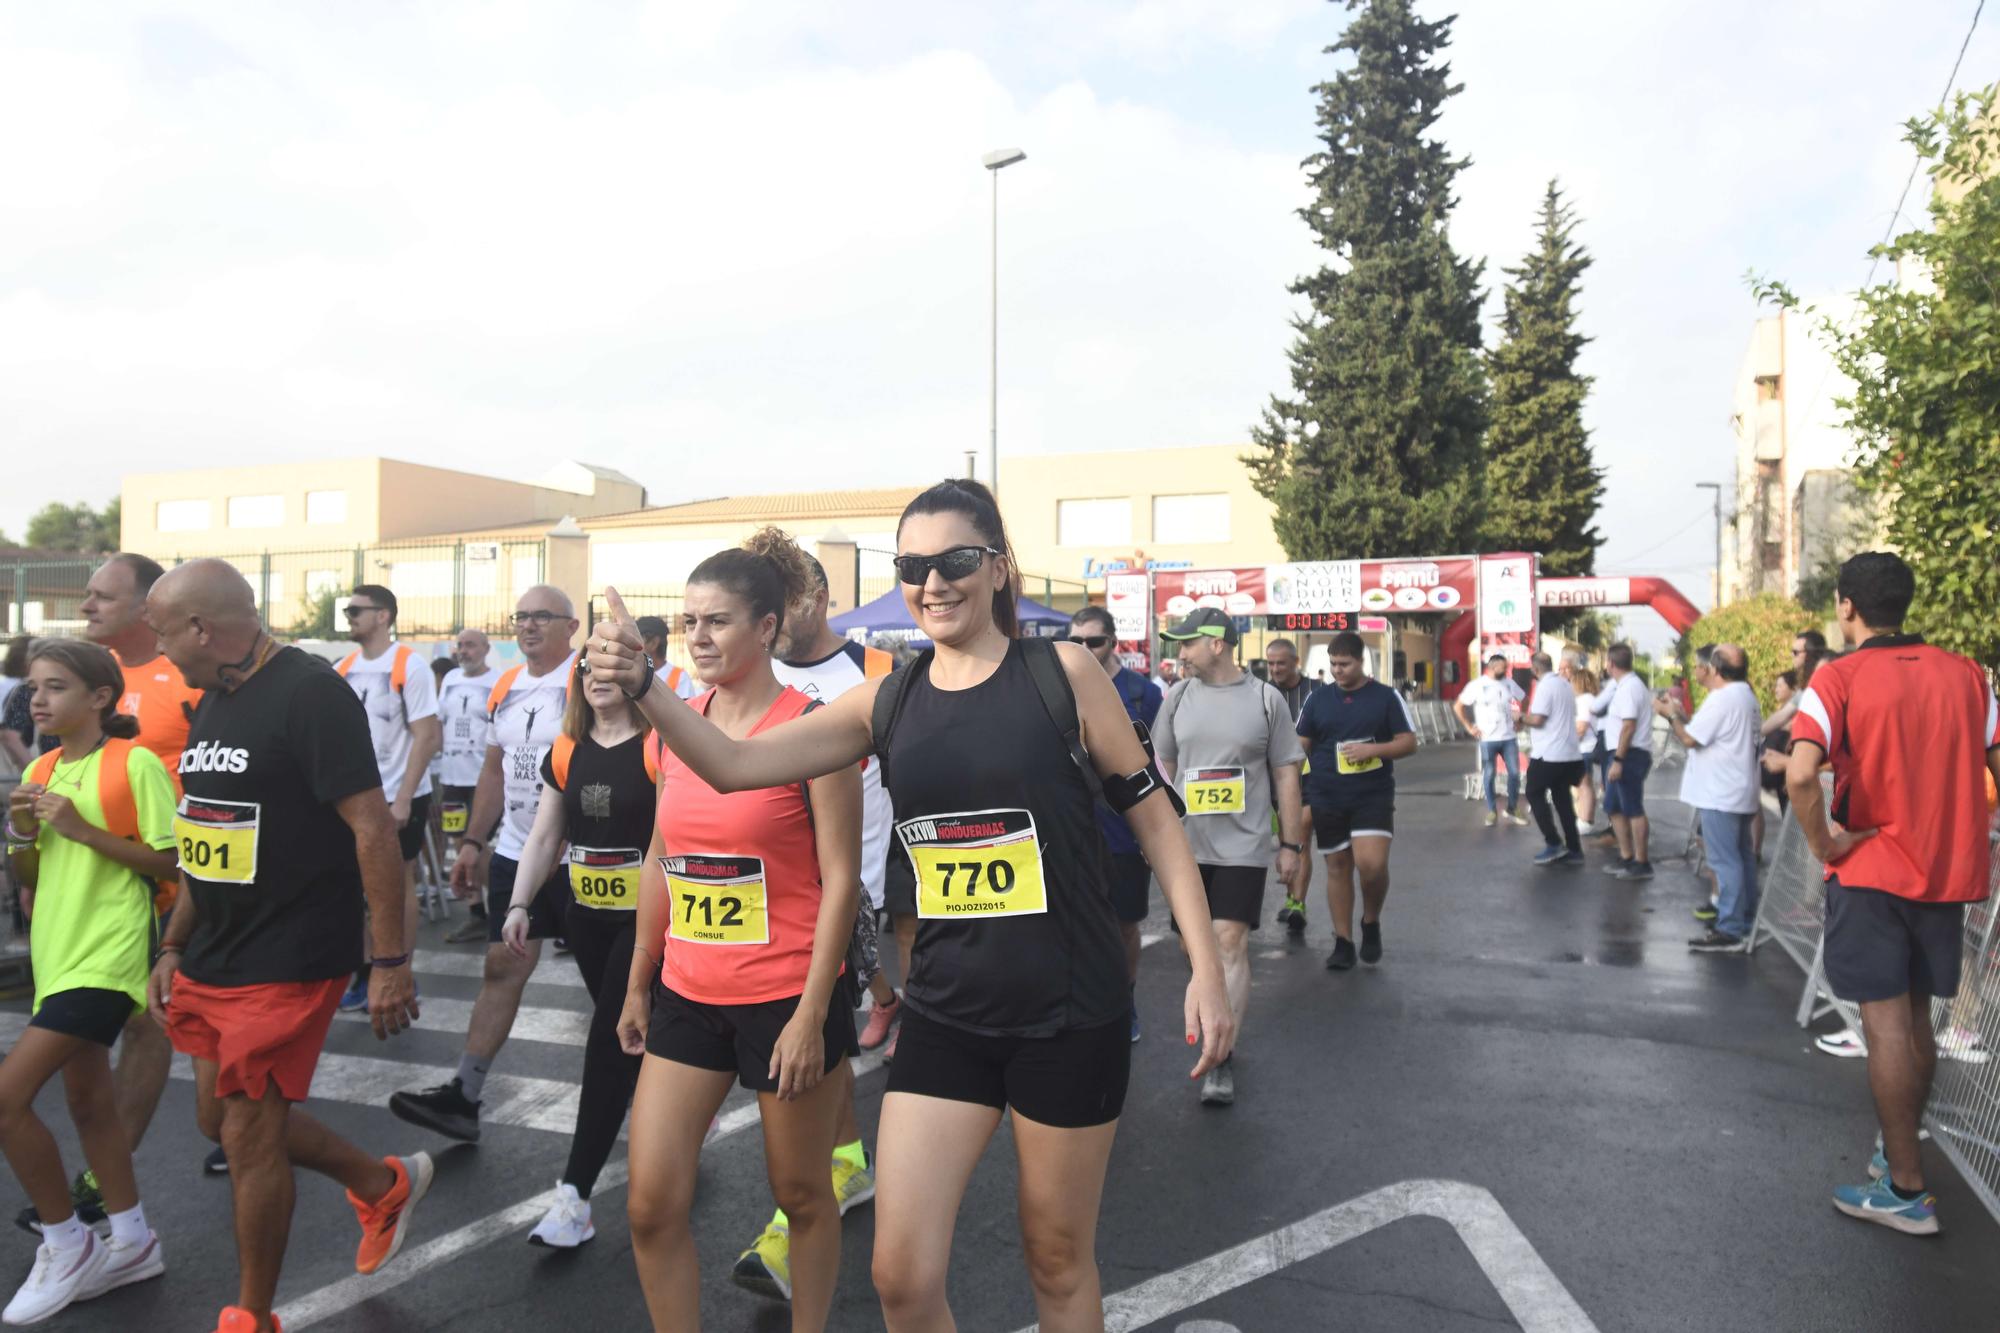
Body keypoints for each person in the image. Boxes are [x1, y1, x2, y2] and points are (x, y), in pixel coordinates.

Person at [587, 479, 1232, 1329]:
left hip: (1068, 1015)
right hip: (946, 1013)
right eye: (913, 565)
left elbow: (1153, 816)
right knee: (899, 1274)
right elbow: (733, 764)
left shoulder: (1061, 673)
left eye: (955, 560)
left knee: (1056, 1254)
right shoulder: (886, 699)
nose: (933, 581)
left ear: (999, 568)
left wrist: (1205, 967)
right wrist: (645, 685)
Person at [143, 560, 429, 1333]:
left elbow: (372, 825)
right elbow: (207, 835)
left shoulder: (309, 691)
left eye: (163, 631)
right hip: (215, 951)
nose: (158, 648)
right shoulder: (215, 702)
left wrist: (391, 961)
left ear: (202, 627)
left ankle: (251, 1314)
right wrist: (173, 943)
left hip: (293, 951)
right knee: (218, 1120)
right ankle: (381, 1182)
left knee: (247, 1132)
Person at [614, 536, 863, 1330]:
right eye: (689, 622)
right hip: (689, 992)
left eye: (717, 621)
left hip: (786, 994)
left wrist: (810, 1016)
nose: (699, 637)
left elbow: (842, 880)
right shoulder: (675, 727)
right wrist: (638, 978)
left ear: (766, 626)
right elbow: (662, 854)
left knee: (800, 1195)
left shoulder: (814, 731)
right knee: (650, 1203)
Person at [1787, 552, 2000, 1236]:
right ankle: (1898, 1150)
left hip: (1874, 867)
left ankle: (1906, 1186)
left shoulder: (1836, 677)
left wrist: (1825, 844)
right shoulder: (1968, 674)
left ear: (1847, 605)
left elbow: (1799, 777)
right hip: (1946, 873)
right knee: (1914, 1021)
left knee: (1885, 1026)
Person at [21, 555, 214, 1224]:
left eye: (102, 596)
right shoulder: (80, 683)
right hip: (98, 887)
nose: (87, 605)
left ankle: (118, 1181)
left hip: (186, 880)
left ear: (145, 604)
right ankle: (114, 1190)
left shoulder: (184, 676)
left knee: (160, 1022)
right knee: (128, 1029)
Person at [735, 544, 898, 1302]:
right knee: (819, 1061)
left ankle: (786, 1230)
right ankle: (850, 1162)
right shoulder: (738, 676)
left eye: (786, 597)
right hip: (743, 914)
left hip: (843, 902)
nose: (776, 615)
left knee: (801, 1063)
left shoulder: (874, 675)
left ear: (816, 594)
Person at [1, 640, 173, 1322]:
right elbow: (34, 878)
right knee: (90, 1103)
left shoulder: (135, 764)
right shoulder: (41, 765)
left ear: (101, 697)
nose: (39, 699)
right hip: (57, 955)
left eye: (57, 687)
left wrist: (77, 825)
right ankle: (131, 1240)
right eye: (36, 687)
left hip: (109, 953)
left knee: (6, 1099)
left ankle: (65, 1238)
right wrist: (20, 836)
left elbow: (172, 864)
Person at [390, 587, 578, 1143]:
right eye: (520, 617)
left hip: (582, 859)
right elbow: (495, 771)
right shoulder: (506, 684)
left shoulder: (586, 681)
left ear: (571, 626)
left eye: (541, 616)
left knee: (614, 986)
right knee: (502, 966)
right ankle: (464, 1095)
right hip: (520, 849)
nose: (528, 625)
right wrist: (473, 841)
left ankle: (667, 1095)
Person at [497, 651, 654, 1248]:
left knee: (608, 1041)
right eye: (587, 670)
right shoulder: (563, 751)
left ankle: (574, 1197)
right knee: (632, 1033)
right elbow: (544, 834)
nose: (597, 679)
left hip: (644, 925)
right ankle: (671, 1096)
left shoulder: (657, 746)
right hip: (584, 916)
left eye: (610, 671)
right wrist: (519, 904)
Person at [1156, 607, 1304, 1107]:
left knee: (1228, 940)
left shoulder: (1266, 700)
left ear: (1217, 643)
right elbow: (1162, 769)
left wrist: (1290, 845)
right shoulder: (1176, 698)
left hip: (1244, 846)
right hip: (1186, 847)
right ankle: (1212, 1010)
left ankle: (1221, 1057)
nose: (1180, 652)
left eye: (1187, 642)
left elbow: (1286, 774)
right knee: (1195, 951)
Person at [334, 586, 442, 1013]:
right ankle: (364, 973)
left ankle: (401, 972)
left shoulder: (408, 665)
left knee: (399, 882)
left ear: (383, 616)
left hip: (399, 795)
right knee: (356, 885)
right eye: (348, 610)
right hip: (355, 796)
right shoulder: (342, 666)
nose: (349, 616)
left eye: (356, 610)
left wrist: (402, 799)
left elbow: (427, 735)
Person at [1067, 605, 1163, 1039]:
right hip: (1071, 827)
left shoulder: (1144, 692)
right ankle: (1081, 1004)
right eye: (1076, 642)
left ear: (1113, 643)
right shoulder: (1056, 686)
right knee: (1073, 922)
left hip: (1125, 827)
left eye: (1094, 642)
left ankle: (1125, 1003)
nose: (1084, 650)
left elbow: (1159, 763)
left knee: (1125, 923)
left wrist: (1156, 832)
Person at [1296, 632, 1418, 972]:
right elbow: (1300, 743)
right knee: (1337, 867)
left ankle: (1371, 920)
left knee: (1372, 866)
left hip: (1371, 794)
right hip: (1326, 793)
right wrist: (1287, 781)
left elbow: (1409, 743)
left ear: (1361, 662)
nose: (1337, 670)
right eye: (1333, 664)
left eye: (1344, 664)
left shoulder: (1385, 697)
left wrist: (1372, 750)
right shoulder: (1317, 700)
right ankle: (1343, 941)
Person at [1656, 644, 1763, 949]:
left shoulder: (1724, 698)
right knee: (1741, 859)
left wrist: (1668, 715)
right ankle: (1742, 918)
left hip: (1722, 793)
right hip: (1737, 790)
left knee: (1725, 862)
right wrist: (1678, 715)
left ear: (1715, 669)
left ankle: (1730, 927)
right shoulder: (1745, 695)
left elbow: (1690, 738)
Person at [437, 629, 497, 945]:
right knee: (460, 844)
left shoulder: (498, 682)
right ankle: (477, 913)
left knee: (479, 844)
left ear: (486, 649)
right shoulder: (449, 681)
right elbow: (438, 724)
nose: (463, 651)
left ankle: (506, 902)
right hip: (452, 778)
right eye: (459, 645)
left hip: (483, 780)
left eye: (470, 645)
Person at [1263, 637, 1317, 935]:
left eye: (1281, 663)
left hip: (1308, 780)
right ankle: (1290, 896)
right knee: (1287, 839)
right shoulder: (1259, 693)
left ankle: (1297, 902)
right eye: (1270, 663)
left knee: (1301, 837)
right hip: (1270, 781)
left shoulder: (1315, 693)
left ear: (1296, 662)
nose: (1275, 669)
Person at [1522, 652, 1586, 867]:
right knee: (1562, 799)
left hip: (1549, 753)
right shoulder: (1565, 685)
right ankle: (1574, 848)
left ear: (1534, 669)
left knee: (1533, 791)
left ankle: (1553, 842)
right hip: (1570, 754)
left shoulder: (1544, 687)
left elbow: (1538, 719)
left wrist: (1520, 717)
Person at [1600, 643, 1655, 880]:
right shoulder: (1623, 686)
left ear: (1611, 664)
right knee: (1613, 806)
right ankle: (1627, 857)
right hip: (1622, 753)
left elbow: (1629, 726)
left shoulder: (1630, 688)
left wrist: (1619, 760)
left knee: (1632, 808)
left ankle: (1642, 863)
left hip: (1630, 755)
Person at [1454, 655, 1527, 827]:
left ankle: (1511, 807)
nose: (1506, 669)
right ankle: (1492, 810)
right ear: (1492, 667)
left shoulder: (1509, 683)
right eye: (1503, 667)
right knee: (1489, 774)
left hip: (1508, 737)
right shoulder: (1477, 685)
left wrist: (1520, 720)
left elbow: (1524, 697)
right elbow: (1458, 706)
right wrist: (1469, 726)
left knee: (1515, 773)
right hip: (1488, 739)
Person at [1568, 662, 1604, 833]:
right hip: (1588, 747)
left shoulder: (1583, 700)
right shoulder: (1592, 699)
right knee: (1585, 784)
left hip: (1584, 748)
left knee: (1584, 785)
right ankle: (1585, 819)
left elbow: (1581, 727)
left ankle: (1585, 820)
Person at [634, 615, 701, 702]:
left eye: (637, 639)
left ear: (653, 643)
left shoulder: (680, 678)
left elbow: (684, 713)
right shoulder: (633, 675)